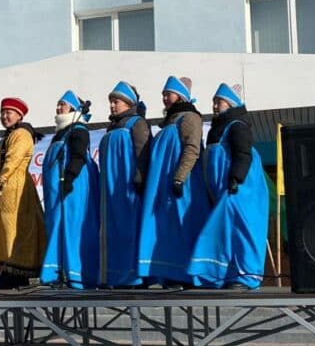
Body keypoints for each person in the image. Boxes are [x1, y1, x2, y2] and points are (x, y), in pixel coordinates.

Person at [189, 84, 269, 289]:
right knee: (226, 230)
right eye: (214, 102)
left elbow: (243, 153)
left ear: (231, 104)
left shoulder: (237, 125)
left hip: (240, 189)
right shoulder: (217, 128)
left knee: (242, 229)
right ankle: (224, 274)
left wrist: (236, 178)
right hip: (222, 189)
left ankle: (246, 276)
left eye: (219, 102)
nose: (215, 106)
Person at [137, 76, 209, 288]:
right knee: (167, 229)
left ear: (180, 96)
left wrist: (179, 178)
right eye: (163, 94)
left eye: (168, 94)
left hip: (184, 185)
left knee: (183, 225)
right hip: (165, 186)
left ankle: (186, 275)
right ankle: (169, 273)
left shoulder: (189, 117)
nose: (164, 98)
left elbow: (191, 149)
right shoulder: (170, 122)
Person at [40, 91, 99, 289]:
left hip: (72, 188)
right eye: (58, 104)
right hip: (57, 190)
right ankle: (56, 271)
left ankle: (75, 273)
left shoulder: (78, 130)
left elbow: (78, 156)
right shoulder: (60, 133)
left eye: (62, 104)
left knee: (71, 226)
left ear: (73, 108)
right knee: (57, 225)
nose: (58, 108)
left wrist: (70, 179)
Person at [0, 97, 47, 288]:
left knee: (16, 230)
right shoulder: (6, 137)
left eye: (9, 112)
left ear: (19, 115)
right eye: (2, 113)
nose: (4, 116)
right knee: (5, 230)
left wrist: (0, 179)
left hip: (17, 187)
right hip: (4, 189)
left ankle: (19, 273)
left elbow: (13, 160)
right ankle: (6, 270)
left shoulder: (22, 134)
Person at [98, 81, 151, 287]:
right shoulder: (112, 127)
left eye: (116, 101)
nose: (112, 105)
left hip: (128, 187)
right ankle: (115, 275)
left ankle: (135, 276)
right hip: (111, 189)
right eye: (111, 102)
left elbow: (143, 153)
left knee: (130, 230)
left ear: (128, 103)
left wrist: (139, 179)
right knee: (114, 232)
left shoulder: (137, 123)